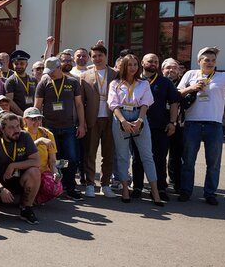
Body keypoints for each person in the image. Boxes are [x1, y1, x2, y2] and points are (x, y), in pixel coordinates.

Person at [177, 47, 225, 204]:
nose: (210, 63)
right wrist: (191, 88)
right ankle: (186, 191)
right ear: (199, 61)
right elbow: (177, 93)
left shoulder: (222, 77)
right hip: (192, 124)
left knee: (213, 163)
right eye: (207, 60)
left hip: (214, 125)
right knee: (188, 161)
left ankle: (210, 193)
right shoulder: (190, 74)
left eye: (213, 60)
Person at [108, 54, 164, 206]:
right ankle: (125, 189)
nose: (133, 68)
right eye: (129, 65)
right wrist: (123, 121)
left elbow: (146, 102)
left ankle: (155, 191)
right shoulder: (115, 84)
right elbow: (113, 104)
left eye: (135, 64)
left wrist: (140, 120)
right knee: (122, 156)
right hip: (121, 117)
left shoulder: (143, 83)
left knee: (147, 156)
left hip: (139, 116)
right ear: (123, 66)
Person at [34, 56, 86, 199]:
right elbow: (37, 107)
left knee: (71, 159)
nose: (50, 74)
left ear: (59, 68)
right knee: (53, 159)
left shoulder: (72, 82)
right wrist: (37, 127)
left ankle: (70, 187)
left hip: (69, 127)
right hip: (49, 129)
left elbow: (79, 104)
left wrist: (82, 124)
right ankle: (56, 186)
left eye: (52, 71)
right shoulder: (43, 83)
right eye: (48, 71)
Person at [131, 53, 179, 201]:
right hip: (137, 125)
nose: (153, 64)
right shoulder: (134, 80)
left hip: (159, 126)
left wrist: (172, 122)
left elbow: (174, 103)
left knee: (159, 158)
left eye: (156, 62)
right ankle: (137, 187)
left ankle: (160, 188)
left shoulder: (165, 82)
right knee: (137, 158)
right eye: (150, 61)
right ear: (142, 63)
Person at [0, 112, 41, 223]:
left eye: (17, 126)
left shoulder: (25, 136)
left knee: (35, 172)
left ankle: (26, 208)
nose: (16, 130)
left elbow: (36, 161)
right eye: (11, 127)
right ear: (2, 129)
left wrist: (13, 165)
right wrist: (1, 189)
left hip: (19, 179)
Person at [80, 43, 117, 198]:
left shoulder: (115, 74)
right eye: (94, 56)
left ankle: (105, 184)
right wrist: (82, 122)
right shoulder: (85, 75)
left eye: (100, 55)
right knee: (90, 153)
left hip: (111, 118)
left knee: (109, 153)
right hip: (92, 118)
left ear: (106, 56)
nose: (97, 58)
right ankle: (90, 184)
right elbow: (81, 101)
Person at [22, 107, 63, 205]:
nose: (37, 122)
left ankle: (36, 200)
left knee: (56, 187)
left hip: (43, 171)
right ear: (25, 120)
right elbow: (22, 153)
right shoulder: (21, 134)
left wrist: (55, 173)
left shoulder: (48, 134)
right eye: (33, 119)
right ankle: (26, 199)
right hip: (26, 172)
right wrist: (39, 141)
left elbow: (52, 160)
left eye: (39, 118)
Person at [162, 58, 185, 191]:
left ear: (179, 71)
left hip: (179, 124)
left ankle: (175, 180)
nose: (171, 70)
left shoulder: (185, 83)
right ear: (162, 70)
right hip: (160, 123)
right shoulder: (158, 82)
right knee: (160, 155)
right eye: (168, 68)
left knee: (176, 155)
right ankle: (161, 182)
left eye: (174, 68)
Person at [3, 50, 35, 115]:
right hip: (18, 117)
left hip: (33, 115)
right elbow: (10, 101)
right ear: (13, 64)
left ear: (26, 64)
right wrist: (23, 115)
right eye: (16, 64)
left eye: (22, 63)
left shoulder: (33, 80)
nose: (19, 66)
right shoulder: (10, 81)